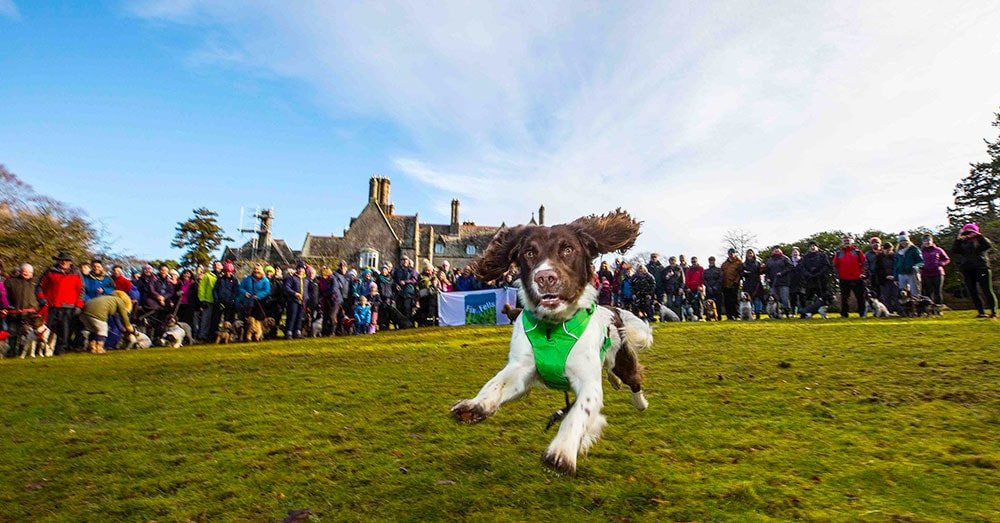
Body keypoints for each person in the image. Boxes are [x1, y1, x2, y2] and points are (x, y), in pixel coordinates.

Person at [36, 252, 84, 355]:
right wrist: (42, 299)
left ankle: (60, 351)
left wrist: (78, 305)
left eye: (66, 260)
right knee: (46, 330)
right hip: (51, 306)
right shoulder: (49, 272)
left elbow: (81, 290)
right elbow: (39, 286)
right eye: (61, 260)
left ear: (70, 262)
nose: (63, 262)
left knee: (64, 331)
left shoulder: (76, 273)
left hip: (69, 307)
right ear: (57, 261)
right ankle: (42, 350)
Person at [951, 223, 997, 318]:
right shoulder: (963, 242)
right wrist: (958, 238)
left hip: (981, 267)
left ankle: (993, 312)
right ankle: (981, 312)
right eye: (967, 231)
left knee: (987, 290)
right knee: (972, 292)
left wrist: (979, 236)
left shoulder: (981, 241)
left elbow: (988, 245)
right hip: (967, 269)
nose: (969, 234)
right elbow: (955, 250)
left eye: (971, 231)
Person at [833, 236, 866, 318]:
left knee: (860, 297)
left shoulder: (857, 252)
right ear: (842, 242)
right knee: (844, 298)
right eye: (845, 241)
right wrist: (837, 275)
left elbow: (864, 263)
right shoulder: (838, 253)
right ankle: (844, 314)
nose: (846, 242)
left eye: (848, 241)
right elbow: (835, 265)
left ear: (852, 242)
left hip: (857, 278)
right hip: (844, 278)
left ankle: (862, 313)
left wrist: (863, 273)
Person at [919, 234, 950, 305]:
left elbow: (947, 259)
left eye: (929, 240)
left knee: (937, 291)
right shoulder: (920, 252)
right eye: (925, 241)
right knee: (928, 292)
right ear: (923, 242)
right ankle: (929, 308)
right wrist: (920, 266)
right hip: (925, 273)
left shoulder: (938, 250)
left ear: (932, 241)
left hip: (938, 273)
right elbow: (917, 261)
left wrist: (941, 263)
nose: (927, 242)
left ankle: (939, 308)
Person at [283, 262, 310, 338]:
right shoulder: (291, 278)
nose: (301, 270)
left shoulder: (306, 279)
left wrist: (306, 297)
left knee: (299, 317)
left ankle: (297, 332)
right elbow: (287, 288)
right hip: (293, 300)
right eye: (299, 268)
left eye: (302, 269)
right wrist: (295, 293)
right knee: (292, 316)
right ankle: (289, 332)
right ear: (297, 269)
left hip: (303, 301)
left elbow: (308, 290)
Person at [765, 247, 794, 317]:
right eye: (775, 250)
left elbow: (790, 267)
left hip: (783, 282)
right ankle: (775, 313)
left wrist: (782, 273)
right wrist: (767, 278)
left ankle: (787, 312)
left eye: (778, 249)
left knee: (784, 298)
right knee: (774, 299)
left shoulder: (785, 258)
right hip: (773, 283)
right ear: (772, 251)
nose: (776, 250)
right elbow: (767, 271)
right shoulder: (769, 260)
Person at [893, 232, 923, 297]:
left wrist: (916, 266)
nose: (903, 242)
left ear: (908, 241)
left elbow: (921, 261)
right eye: (901, 241)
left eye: (905, 240)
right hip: (901, 274)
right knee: (903, 294)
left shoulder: (914, 249)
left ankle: (917, 305)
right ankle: (906, 306)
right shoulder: (898, 252)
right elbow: (896, 266)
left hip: (912, 273)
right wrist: (895, 278)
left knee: (915, 293)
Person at [197, 262, 219, 341]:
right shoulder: (207, 276)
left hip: (218, 301)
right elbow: (201, 288)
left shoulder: (221, 276)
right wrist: (202, 300)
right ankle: (202, 335)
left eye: (219, 265)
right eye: (215, 265)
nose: (217, 266)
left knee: (215, 320)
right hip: (208, 300)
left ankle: (213, 335)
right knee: (206, 319)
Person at [720, 249, 743, 320]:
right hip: (725, 285)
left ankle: (737, 315)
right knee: (727, 301)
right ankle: (729, 316)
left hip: (734, 284)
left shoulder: (739, 262)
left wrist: (736, 281)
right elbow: (721, 274)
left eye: (732, 253)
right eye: (729, 253)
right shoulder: (724, 264)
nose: (731, 254)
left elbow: (740, 273)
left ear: (735, 254)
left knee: (735, 300)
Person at [741, 249, 765, 319]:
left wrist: (762, 268)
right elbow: (740, 273)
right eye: (748, 253)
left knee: (757, 299)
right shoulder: (744, 264)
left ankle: (758, 313)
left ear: (753, 254)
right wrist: (744, 273)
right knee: (749, 299)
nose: (749, 255)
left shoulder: (758, 263)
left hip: (757, 283)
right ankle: (750, 314)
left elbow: (762, 272)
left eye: (751, 253)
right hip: (747, 283)